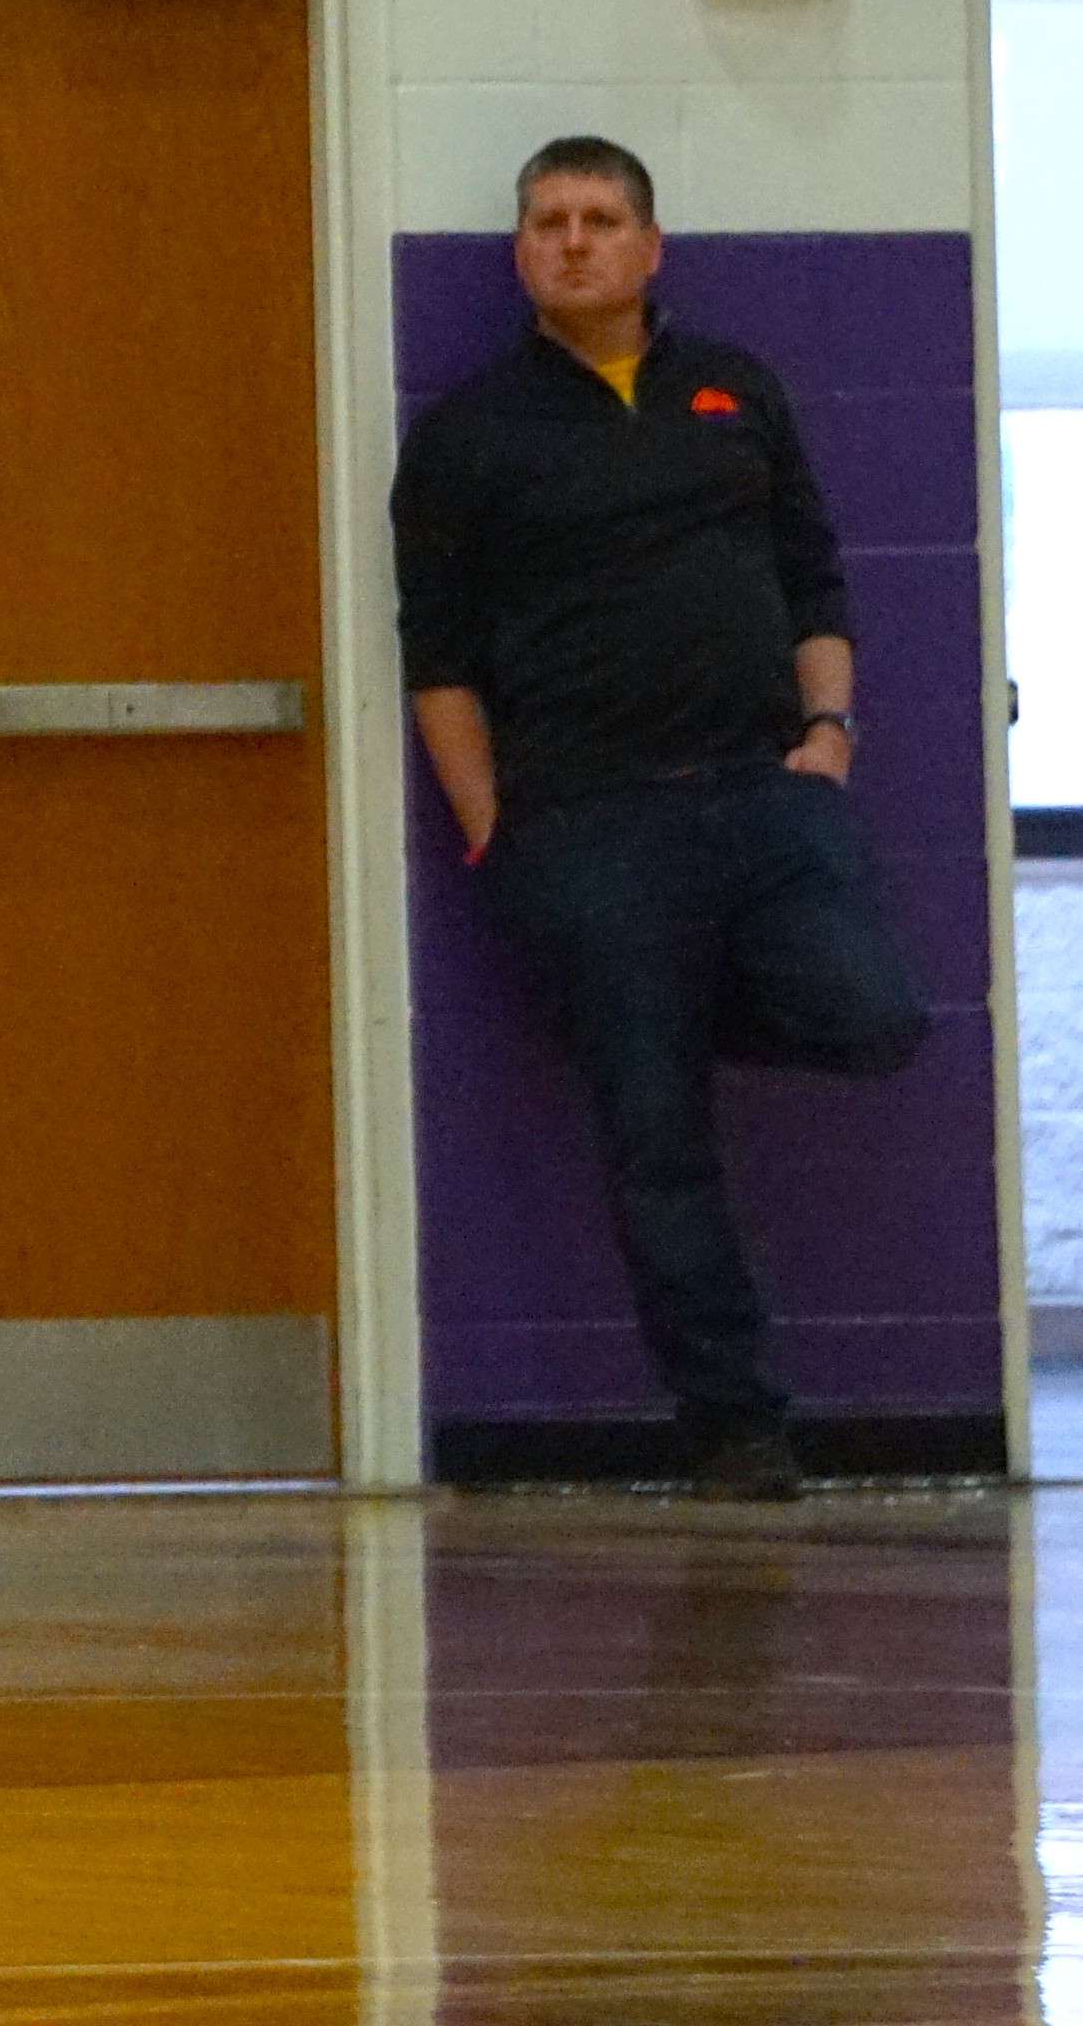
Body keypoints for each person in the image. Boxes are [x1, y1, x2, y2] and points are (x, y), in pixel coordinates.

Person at [395, 135, 926, 1501]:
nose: (573, 240)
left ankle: (682, 1002)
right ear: (520, 252)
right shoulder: (466, 436)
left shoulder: (734, 390)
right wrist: (492, 835)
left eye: (600, 218)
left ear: (650, 247)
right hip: (587, 831)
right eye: (547, 221)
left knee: (875, 1017)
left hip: (766, 796)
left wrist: (828, 733)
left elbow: (813, 577)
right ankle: (735, 1425)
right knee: (655, 1134)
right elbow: (440, 663)